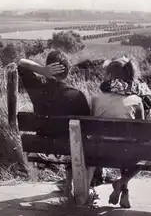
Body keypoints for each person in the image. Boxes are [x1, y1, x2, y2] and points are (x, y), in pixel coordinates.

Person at [17, 50, 103, 189]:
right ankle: (80, 187)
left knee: (68, 140)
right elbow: (86, 128)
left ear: (48, 69)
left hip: (43, 150)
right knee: (79, 141)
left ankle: (67, 183)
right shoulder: (77, 95)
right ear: (68, 71)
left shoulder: (37, 91)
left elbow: (21, 63)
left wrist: (41, 70)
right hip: (70, 151)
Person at [91, 56, 151, 208]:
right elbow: (143, 132)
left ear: (109, 76)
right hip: (127, 152)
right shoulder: (137, 99)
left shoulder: (96, 98)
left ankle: (121, 187)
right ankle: (122, 184)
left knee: (124, 145)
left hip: (100, 152)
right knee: (139, 149)